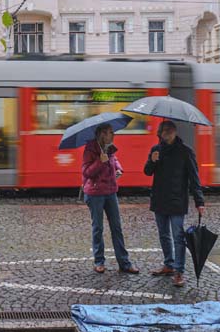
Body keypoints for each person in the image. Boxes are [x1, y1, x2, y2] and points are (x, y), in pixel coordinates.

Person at [144, 120, 205, 288]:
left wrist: (199, 201)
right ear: (160, 134)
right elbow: (147, 171)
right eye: (164, 131)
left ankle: (179, 271)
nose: (167, 134)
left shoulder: (185, 152)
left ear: (175, 132)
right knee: (163, 235)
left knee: (178, 237)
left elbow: (194, 178)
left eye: (170, 131)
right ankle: (168, 265)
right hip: (159, 199)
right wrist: (152, 161)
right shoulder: (156, 150)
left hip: (177, 200)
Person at [82, 125, 138, 275]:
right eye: (110, 133)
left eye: (113, 132)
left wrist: (119, 168)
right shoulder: (90, 149)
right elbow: (86, 172)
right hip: (95, 193)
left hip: (111, 192)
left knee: (117, 227)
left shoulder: (110, 147)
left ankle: (124, 263)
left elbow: (114, 159)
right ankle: (99, 261)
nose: (113, 135)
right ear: (102, 134)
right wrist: (100, 162)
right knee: (98, 228)